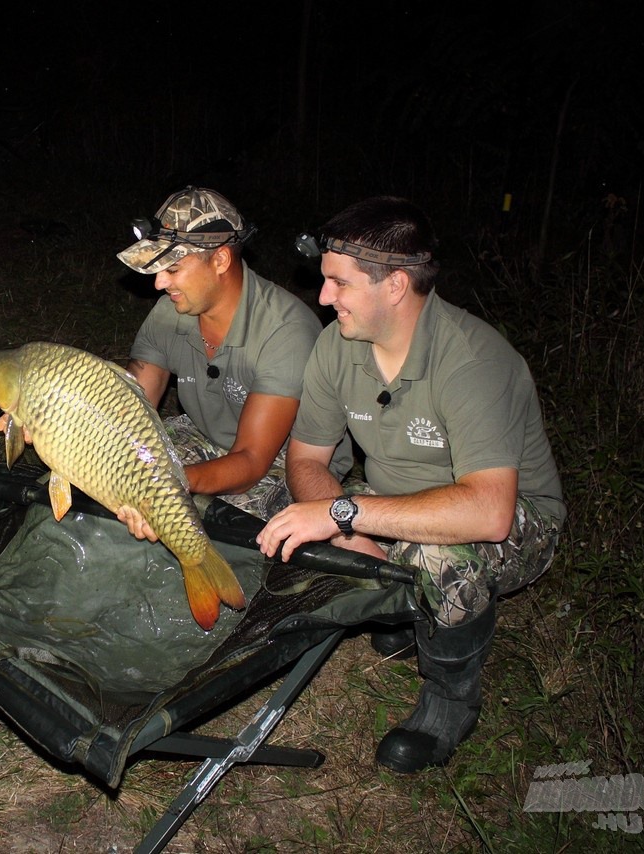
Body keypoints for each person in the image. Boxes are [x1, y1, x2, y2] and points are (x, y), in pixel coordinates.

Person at [256, 197, 565, 773]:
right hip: (389, 504)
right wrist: (344, 526)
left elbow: (489, 512)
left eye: (338, 284)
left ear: (395, 286)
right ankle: (409, 608)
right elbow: (305, 457)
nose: (322, 298)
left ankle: (450, 702)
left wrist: (346, 514)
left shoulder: (472, 361)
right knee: (281, 499)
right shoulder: (337, 345)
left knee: (438, 553)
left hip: (515, 518)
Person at [115, 186, 349, 525]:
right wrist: (59, 427)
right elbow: (129, 415)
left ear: (221, 259)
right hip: (203, 432)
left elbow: (251, 461)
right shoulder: (170, 312)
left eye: (174, 268)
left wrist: (169, 483)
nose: (158, 283)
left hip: (285, 460)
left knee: (206, 519)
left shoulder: (284, 331)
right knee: (108, 473)